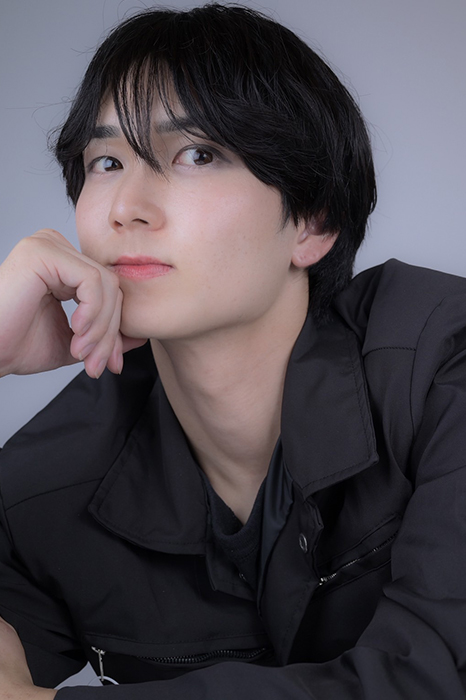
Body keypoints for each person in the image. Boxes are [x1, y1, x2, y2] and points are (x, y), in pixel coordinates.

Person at [0, 4, 465, 699]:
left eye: (197, 154)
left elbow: (428, 682)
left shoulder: (440, 368)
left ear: (313, 221)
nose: (127, 206)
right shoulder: (47, 484)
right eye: (106, 161)